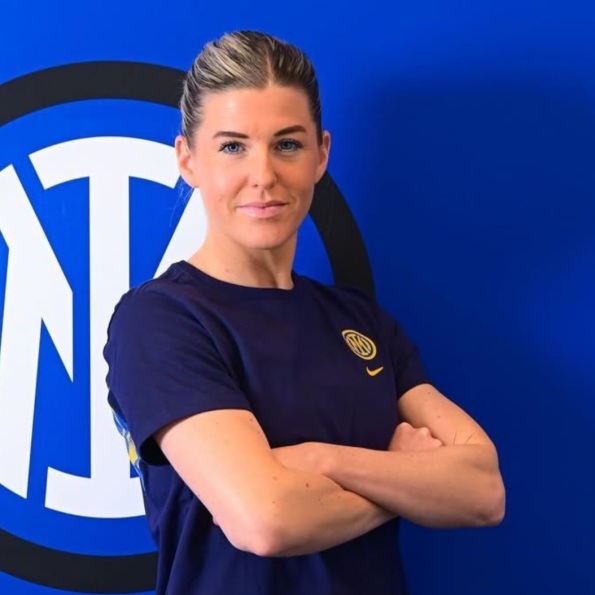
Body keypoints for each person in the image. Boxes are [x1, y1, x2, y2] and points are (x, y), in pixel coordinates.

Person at [103, 30, 505, 595]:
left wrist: (323, 460)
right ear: (188, 160)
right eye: (233, 147)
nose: (263, 175)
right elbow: (265, 521)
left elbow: (483, 491)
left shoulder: (360, 320)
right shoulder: (160, 321)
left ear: (321, 154)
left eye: (287, 144)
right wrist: (404, 479)